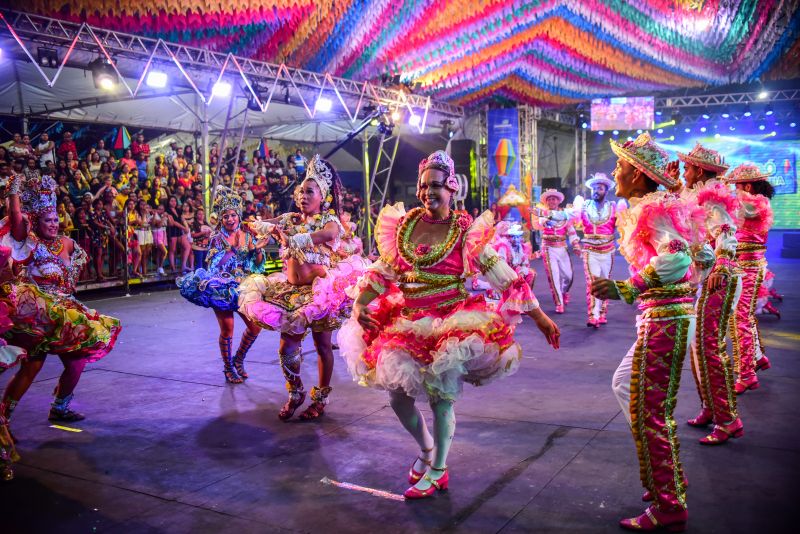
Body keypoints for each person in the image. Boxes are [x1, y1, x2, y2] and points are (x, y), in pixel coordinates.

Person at [338, 151, 560, 499]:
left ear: (452, 188)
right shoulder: (406, 224)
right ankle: (426, 449)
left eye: (436, 186)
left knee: (441, 399)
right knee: (398, 399)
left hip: (449, 324)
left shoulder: (465, 231)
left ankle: (439, 469)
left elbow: (503, 276)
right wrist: (359, 303)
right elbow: (384, 270)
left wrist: (540, 316)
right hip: (406, 321)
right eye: (423, 186)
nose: (428, 193)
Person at [591, 133, 712, 531]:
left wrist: (628, 287)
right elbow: (703, 256)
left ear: (639, 177)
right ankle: (667, 474)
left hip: (665, 319)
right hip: (665, 316)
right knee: (626, 386)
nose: (615, 172)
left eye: (621, 167)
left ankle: (669, 503)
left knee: (651, 412)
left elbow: (677, 257)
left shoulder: (651, 211)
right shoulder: (659, 206)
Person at [238, 155, 369, 420]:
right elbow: (265, 224)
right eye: (300, 192)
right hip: (290, 292)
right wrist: (255, 225)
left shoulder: (328, 220)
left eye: (309, 192)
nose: (302, 196)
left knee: (322, 345)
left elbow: (330, 234)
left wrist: (301, 237)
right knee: (287, 347)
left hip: (320, 294)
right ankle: (295, 391)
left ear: (322, 196)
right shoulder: (290, 219)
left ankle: (320, 398)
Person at [0, 174, 121, 427]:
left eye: (56, 219)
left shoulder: (67, 243)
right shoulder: (29, 242)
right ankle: (4, 419)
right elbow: (15, 216)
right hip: (37, 314)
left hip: (65, 310)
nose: (53, 224)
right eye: (47, 219)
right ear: (35, 221)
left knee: (77, 361)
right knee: (33, 365)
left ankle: (60, 407)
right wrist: (14, 190)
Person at [666, 143, 744, 445]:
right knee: (698, 347)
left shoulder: (714, 198)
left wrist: (721, 267)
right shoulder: (698, 194)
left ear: (699, 170)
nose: (684, 172)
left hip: (719, 279)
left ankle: (728, 419)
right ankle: (710, 408)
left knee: (709, 347)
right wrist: (672, 184)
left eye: (687, 168)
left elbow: (726, 232)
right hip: (708, 277)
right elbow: (682, 210)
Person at [177, 187, 267, 383]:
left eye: (233, 215)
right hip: (222, 289)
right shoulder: (217, 238)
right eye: (226, 216)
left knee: (255, 327)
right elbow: (214, 264)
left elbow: (258, 265)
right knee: (227, 330)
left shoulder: (248, 235)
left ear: (239, 215)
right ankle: (228, 368)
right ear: (221, 218)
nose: (230, 219)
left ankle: (239, 360)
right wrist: (232, 250)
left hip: (245, 288)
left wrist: (258, 251)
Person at [539, 174, 625, 327]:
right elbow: (564, 215)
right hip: (590, 250)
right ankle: (593, 315)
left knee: (604, 282)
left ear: (606, 191)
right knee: (592, 282)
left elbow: (625, 224)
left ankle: (602, 312)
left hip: (608, 251)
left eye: (600, 188)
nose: (596, 191)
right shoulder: (583, 206)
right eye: (594, 188)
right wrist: (545, 214)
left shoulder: (614, 207)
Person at [724, 164, 775, 394]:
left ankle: (746, 373)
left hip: (749, 269)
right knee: (741, 316)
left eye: (736, 186)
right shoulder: (750, 203)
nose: (733, 190)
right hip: (744, 267)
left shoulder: (755, 203)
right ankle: (757, 356)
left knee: (740, 318)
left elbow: (731, 206)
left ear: (746, 186)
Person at [536, 189, 579, 313]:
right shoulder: (543, 214)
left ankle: (564, 292)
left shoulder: (565, 216)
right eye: (549, 199)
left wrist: (576, 244)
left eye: (553, 199)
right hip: (548, 248)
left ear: (558, 201)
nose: (551, 201)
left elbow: (571, 231)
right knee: (553, 276)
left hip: (562, 248)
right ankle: (558, 302)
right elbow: (543, 222)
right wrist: (547, 219)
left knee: (568, 276)